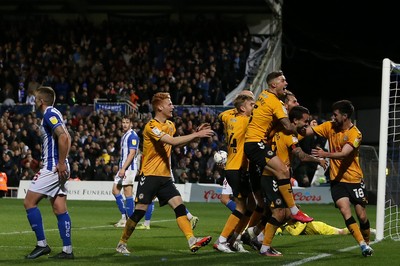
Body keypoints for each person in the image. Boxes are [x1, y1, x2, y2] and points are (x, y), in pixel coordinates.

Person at [115, 92, 214, 254]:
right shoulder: (151, 126)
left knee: (179, 206)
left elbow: (176, 145)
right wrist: (196, 134)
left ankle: (192, 240)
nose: (172, 106)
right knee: (139, 211)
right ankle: (122, 243)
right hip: (150, 175)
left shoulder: (170, 125)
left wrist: (195, 137)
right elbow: (172, 141)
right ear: (160, 107)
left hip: (165, 177)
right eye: (170, 104)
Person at [303, 99, 374, 257]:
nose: (332, 117)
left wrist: (325, 154)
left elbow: (344, 154)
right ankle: (362, 245)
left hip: (354, 179)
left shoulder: (355, 133)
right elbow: (307, 132)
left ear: (345, 116)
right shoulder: (329, 126)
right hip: (337, 180)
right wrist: (302, 125)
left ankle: (367, 242)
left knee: (362, 216)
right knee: (344, 210)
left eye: (335, 115)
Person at [244, 71, 313, 223]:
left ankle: (256, 238)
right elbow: (288, 127)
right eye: (283, 80)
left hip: (254, 144)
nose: (286, 83)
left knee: (270, 204)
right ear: (274, 84)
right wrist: (304, 129)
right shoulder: (276, 103)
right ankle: (294, 211)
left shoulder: (263, 95)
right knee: (282, 171)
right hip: (256, 143)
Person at [23, 86, 74, 259]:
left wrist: (59, 162)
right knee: (60, 208)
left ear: (41, 101)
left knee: (29, 202)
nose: (34, 101)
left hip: (54, 167)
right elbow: (68, 137)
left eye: (36, 98)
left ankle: (41, 244)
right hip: (59, 165)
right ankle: (67, 250)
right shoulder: (56, 113)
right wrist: (64, 162)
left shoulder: (49, 115)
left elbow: (64, 137)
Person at [213, 92, 255, 253]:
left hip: (234, 167)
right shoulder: (246, 121)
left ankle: (234, 239)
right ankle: (223, 240)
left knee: (251, 204)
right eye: (251, 105)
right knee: (241, 206)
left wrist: (237, 107)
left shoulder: (229, 118)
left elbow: (223, 115)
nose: (254, 107)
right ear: (243, 108)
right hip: (237, 168)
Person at [113, 115, 140, 228]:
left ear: (131, 124)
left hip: (128, 168)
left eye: (127, 122)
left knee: (128, 193)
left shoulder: (132, 136)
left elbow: (132, 153)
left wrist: (124, 168)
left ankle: (131, 220)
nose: (124, 124)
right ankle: (124, 217)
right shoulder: (125, 135)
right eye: (123, 122)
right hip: (123, 168)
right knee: (115, 191)